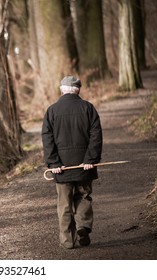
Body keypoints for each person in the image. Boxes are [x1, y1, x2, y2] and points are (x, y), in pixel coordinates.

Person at [41, 76, 103, 249]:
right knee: (83, 196)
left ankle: (68, 241)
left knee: (64, 203)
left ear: (61, 90)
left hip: (61, 168)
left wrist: (53, 163)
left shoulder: (52, 111)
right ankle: (83, 226)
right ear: (78, 90)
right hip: (84, 166)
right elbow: (96, 136)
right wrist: (90, 159)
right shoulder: (88, 108)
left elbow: (47, 139)